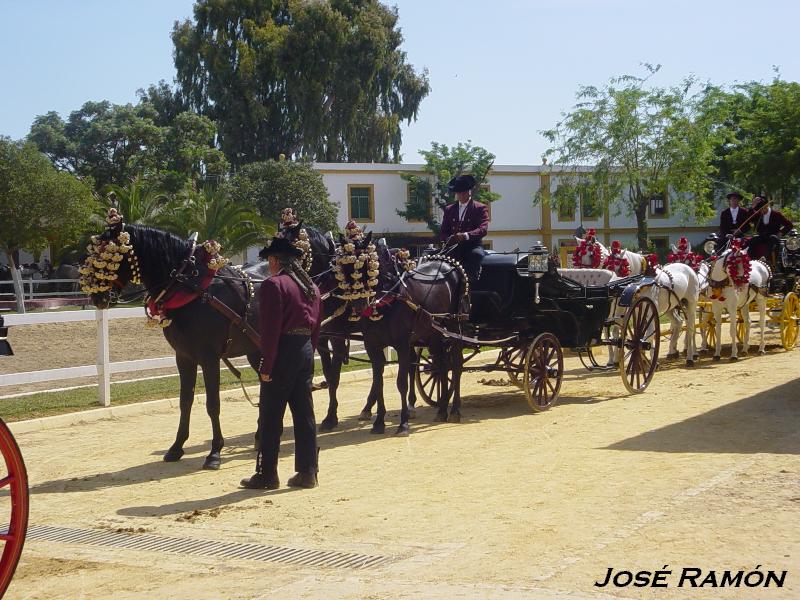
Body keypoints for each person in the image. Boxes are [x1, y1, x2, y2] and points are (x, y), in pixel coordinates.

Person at [240, 235, 322, 490]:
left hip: (283, 351)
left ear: (276, 260)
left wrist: (266, 365)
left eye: (269, 259)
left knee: (270, 415)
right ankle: (308, 472)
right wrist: (308, 351)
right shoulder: (312, 288)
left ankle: (267, 474)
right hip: (305, 350)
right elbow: (316, 328)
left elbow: (271, 329)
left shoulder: (274, 285)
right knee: (304, 414)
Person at [439, 174, 490, 283]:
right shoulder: (449, 209)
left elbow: (483, 229)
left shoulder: (480, 208)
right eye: (459, 193)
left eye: (463, 192)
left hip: (472, 246)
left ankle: (470, 283)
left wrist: (466, 235)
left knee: (476, 255)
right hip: (454, 246)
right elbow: (443, 231)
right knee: (438, 258)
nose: (461, 195)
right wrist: (448, 239)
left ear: (469, 192)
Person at [749, 196, 794, 263]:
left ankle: (764, 257)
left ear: (767, 205)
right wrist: (752, 206)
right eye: (760, 209)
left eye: (763, 208)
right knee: (752, 240)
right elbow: (750, 219)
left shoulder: (777, 214)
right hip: (762, 236)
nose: (762, 211)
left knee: (773, 238)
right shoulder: (759, 214)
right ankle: (750, 260)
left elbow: (789, 225)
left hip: (773, 237)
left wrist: (781, 232)